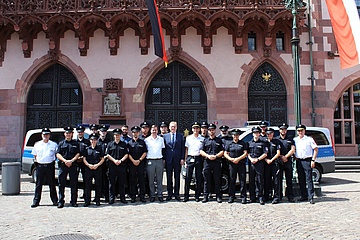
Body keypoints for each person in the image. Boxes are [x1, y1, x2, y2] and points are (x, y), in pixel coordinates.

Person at [30, 128, 58, 208]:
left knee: (52, 184)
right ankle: (36, 201)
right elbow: (35, 155)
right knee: (38, 184)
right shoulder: (37, 144)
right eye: (44, 134)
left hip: (50, 166)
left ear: (49, 135)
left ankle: (55, 201)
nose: (45, 136)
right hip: (40, 166)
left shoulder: (54, 144)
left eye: (47, 134)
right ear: (41, 135)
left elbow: (56, 155)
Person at [56, 126, 80, 208]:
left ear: (72, 134)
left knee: (74, 184)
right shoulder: (61, 143)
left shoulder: (76, 143)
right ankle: (61, 201)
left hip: (73, 166)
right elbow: (58, 154)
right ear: (64, 134)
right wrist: (65, 161)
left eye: (69, 133)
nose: (68, 134)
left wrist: (71, 161)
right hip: (63, 166)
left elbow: (78, 154)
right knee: (61, 184)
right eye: (67, 133)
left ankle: (74, 201)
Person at [294, 124, 318, 204]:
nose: (300, 132)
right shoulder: (295, 140)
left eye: (302, 130)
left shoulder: (309, 139)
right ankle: (304, 196)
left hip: (307, 160)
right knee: (301, 179)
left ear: (304, 131)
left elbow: (315, 149)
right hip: (299, 161)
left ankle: (311, 197)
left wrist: (313, 160)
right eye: (299, 131)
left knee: (309, 179)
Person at [200, 123, 224, 203]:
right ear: (208, 131)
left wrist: (216, 156)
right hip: (207, 161)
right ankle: (206, 196)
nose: (211, 131)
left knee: (217, 179)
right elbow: (201, 151)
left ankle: (218, 196)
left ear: (215, 130)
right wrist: (207, 156)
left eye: (213, 130)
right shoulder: (205, 140)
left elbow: (222, 151)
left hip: (216, 162)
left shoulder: (219, 140)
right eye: (210, 130)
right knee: (207, 180)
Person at [223, 128, 248, 204]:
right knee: (232, 180)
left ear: (239, 136)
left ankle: (243, 197)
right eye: (234, 135)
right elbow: (225, 153)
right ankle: (231, 196)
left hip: (241, 164)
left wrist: (238, 159)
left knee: (242, 181)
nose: (235, 136)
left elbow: (245, 153)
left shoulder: (243, 143)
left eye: (237, 135)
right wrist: (231, 159)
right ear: (232, 136)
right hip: (232, 164)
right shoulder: (229, 144)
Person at [106, 128, 129, 204]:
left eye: (118, 135)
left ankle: (122, 198)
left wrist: (121, 160)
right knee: (111, 183)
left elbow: (126, 154)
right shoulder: (110, 144)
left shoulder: (124, 144)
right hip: (112, 165)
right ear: (114, 136)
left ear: (120, 135)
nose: (117, 136)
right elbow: (107, 154)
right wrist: (114, 160)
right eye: (115, 135)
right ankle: (112, 198)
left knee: (121, 183)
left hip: (121, 165)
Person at [163, 121, 185, 201]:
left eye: (174, 126)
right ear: (169, 127)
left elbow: (183, 149)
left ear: (176, 127)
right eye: (172, 126)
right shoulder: (165, 136)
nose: (173, 128)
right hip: (168, 159)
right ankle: (169, 194)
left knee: (177, 177)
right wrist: (164, 159)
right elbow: (163, 149)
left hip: (177, 159)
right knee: (169, 177)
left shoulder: (181, 136)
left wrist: (182, 158)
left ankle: (176, 194)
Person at [183, 122, 204, 202]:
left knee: (198, 178)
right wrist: (185, 160)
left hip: (198, 158)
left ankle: (197, 195)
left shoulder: (202, 138)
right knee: (188, 177)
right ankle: (186, 195)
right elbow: (186, 150)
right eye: (194, 128)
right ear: (192, 129)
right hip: (190, 158)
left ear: (199, 129)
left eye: (197, 128)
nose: (195, 130)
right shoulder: (188, 138)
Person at [144, 125, 165, 202]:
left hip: (159, 160)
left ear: (157, 130)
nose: (154, 131)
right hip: (150, 160)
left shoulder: (161, 139)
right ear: (150, 131)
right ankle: (152, 195)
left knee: (160, 178)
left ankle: (160, 194)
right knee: (151, 179)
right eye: (153, 130)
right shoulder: (146, 140)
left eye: (155, 130)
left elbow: (163, 150)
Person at [247, 126, 268, 205]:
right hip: (251, 163)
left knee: (260, 180)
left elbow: (265, 154)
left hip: (259, 163)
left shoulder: (263, 143)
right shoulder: (249, 143)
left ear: (259, 134)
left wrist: (258, 159)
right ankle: (252, 197)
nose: (256, 134)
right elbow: (247, 153)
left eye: (257, 133)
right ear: (252, 134)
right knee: (251, 181)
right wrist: (251, 159)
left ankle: (260, 197)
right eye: (254, 133)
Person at [275, 123, 295, 202]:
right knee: (278, 179)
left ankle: (290, 196)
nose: (283, 131)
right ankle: (279, 196)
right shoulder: (276, 139)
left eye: (284, 129)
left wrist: (286, 157)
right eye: (282, 129)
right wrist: (281, 157)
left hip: (288, 161)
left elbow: (293, 149)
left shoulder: (290, 139)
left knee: (289, 179)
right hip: (279, 161)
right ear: (279, 130)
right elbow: (275, 151)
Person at [83, 133, 105, 207]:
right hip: (88, 168)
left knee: (98, 185)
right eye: (92, 140)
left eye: (95, 140)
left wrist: (97, 165)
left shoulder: (100, 148)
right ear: (90, 140)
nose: (93, 141)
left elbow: (102, 158)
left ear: (97, 140)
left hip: (97, 168)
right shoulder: (87, 149)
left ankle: (97, 200)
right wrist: (89, 165)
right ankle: (87, 201)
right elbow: (84, 158)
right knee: (88, 185)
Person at [127, 126, 147, 203]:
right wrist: (133, 161)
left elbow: (145, 152)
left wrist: (139, 160)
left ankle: (142, 196)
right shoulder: (129, 143)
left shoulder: (142, 142)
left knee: (141, 180)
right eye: (134, 132)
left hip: (140, 164)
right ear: (132, 133)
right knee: (132, 180)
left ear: (139, 133)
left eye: (137, 132)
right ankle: (133, 196)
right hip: (132, 164)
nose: (135, 134)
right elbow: (128, 153)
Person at [264, 128, 282, 204]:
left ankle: (276, 197)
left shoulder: (276, 142)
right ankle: (267, 196)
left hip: (275, 163)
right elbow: (262, 153)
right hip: (266, 163)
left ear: (273, 134)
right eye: (267, 134)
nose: (269, 135)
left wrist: (271, 160)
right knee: (267, 180)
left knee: (276, 181)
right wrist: (267, 160)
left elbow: (278, 153)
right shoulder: (264, 142)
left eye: (270, 133)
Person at [76, 125, 90, 199]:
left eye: (81, 132)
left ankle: (86, 195)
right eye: (79, 132)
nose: (80, 133)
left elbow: (89, 151)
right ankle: (75, 195)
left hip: (84, 163)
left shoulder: (87, 142)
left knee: (86, 179)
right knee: (75, 179)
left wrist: (83, 157)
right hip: (75, 163)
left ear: (83, 133)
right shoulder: (74, 142)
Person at [98, 124, 111, 202]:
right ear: (99, 132)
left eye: (105, 131)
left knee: (106, 180)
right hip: (98, 164)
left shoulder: (109, 141)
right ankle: (98, 196)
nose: (103, 132)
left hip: (106, 164)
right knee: (98, 180)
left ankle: (106, 196)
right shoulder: (96, 140)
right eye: (102, 131)